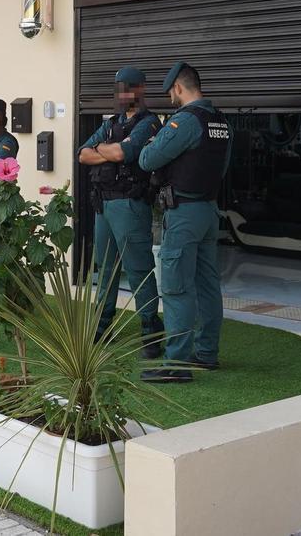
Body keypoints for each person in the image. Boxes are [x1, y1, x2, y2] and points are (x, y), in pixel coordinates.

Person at [138, 62, 233, 383]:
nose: (170, 98)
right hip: (208, 210)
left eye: (170, 92)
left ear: (179, 88)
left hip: (183, 213)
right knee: (207, 285)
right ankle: (206, 353)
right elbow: (221, 168)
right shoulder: (220, 122)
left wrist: (153, 145)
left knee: (177, 286)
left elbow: (147, 159)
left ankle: (176, 364)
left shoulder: (186, 122)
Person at [78, 67, 164, 357]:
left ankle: (151, 330)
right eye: (117, 88)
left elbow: (123, 154)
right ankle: (102, 327)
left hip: (130, 204)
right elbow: (82, 154)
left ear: (140, 90)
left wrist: (105, 149)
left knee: (139, 269)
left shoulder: (149, 123)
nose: (121, 94)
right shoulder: (112, 122)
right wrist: (108, 148)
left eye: (126, 88)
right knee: (105, 270)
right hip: (103, 205)